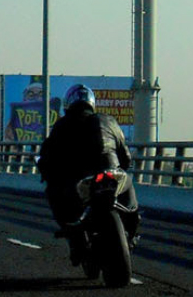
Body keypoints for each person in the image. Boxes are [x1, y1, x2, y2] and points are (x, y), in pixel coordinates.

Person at [37, 83, 140, 263]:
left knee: (54, 192)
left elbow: (48, 158)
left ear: (68, 103)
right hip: (112, 173)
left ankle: (75, 237)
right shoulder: (109, 121)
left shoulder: (62, 125)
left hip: (81, 180)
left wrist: (48, 173)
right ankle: (132, 234)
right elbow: (126, 158)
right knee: (129, 193)